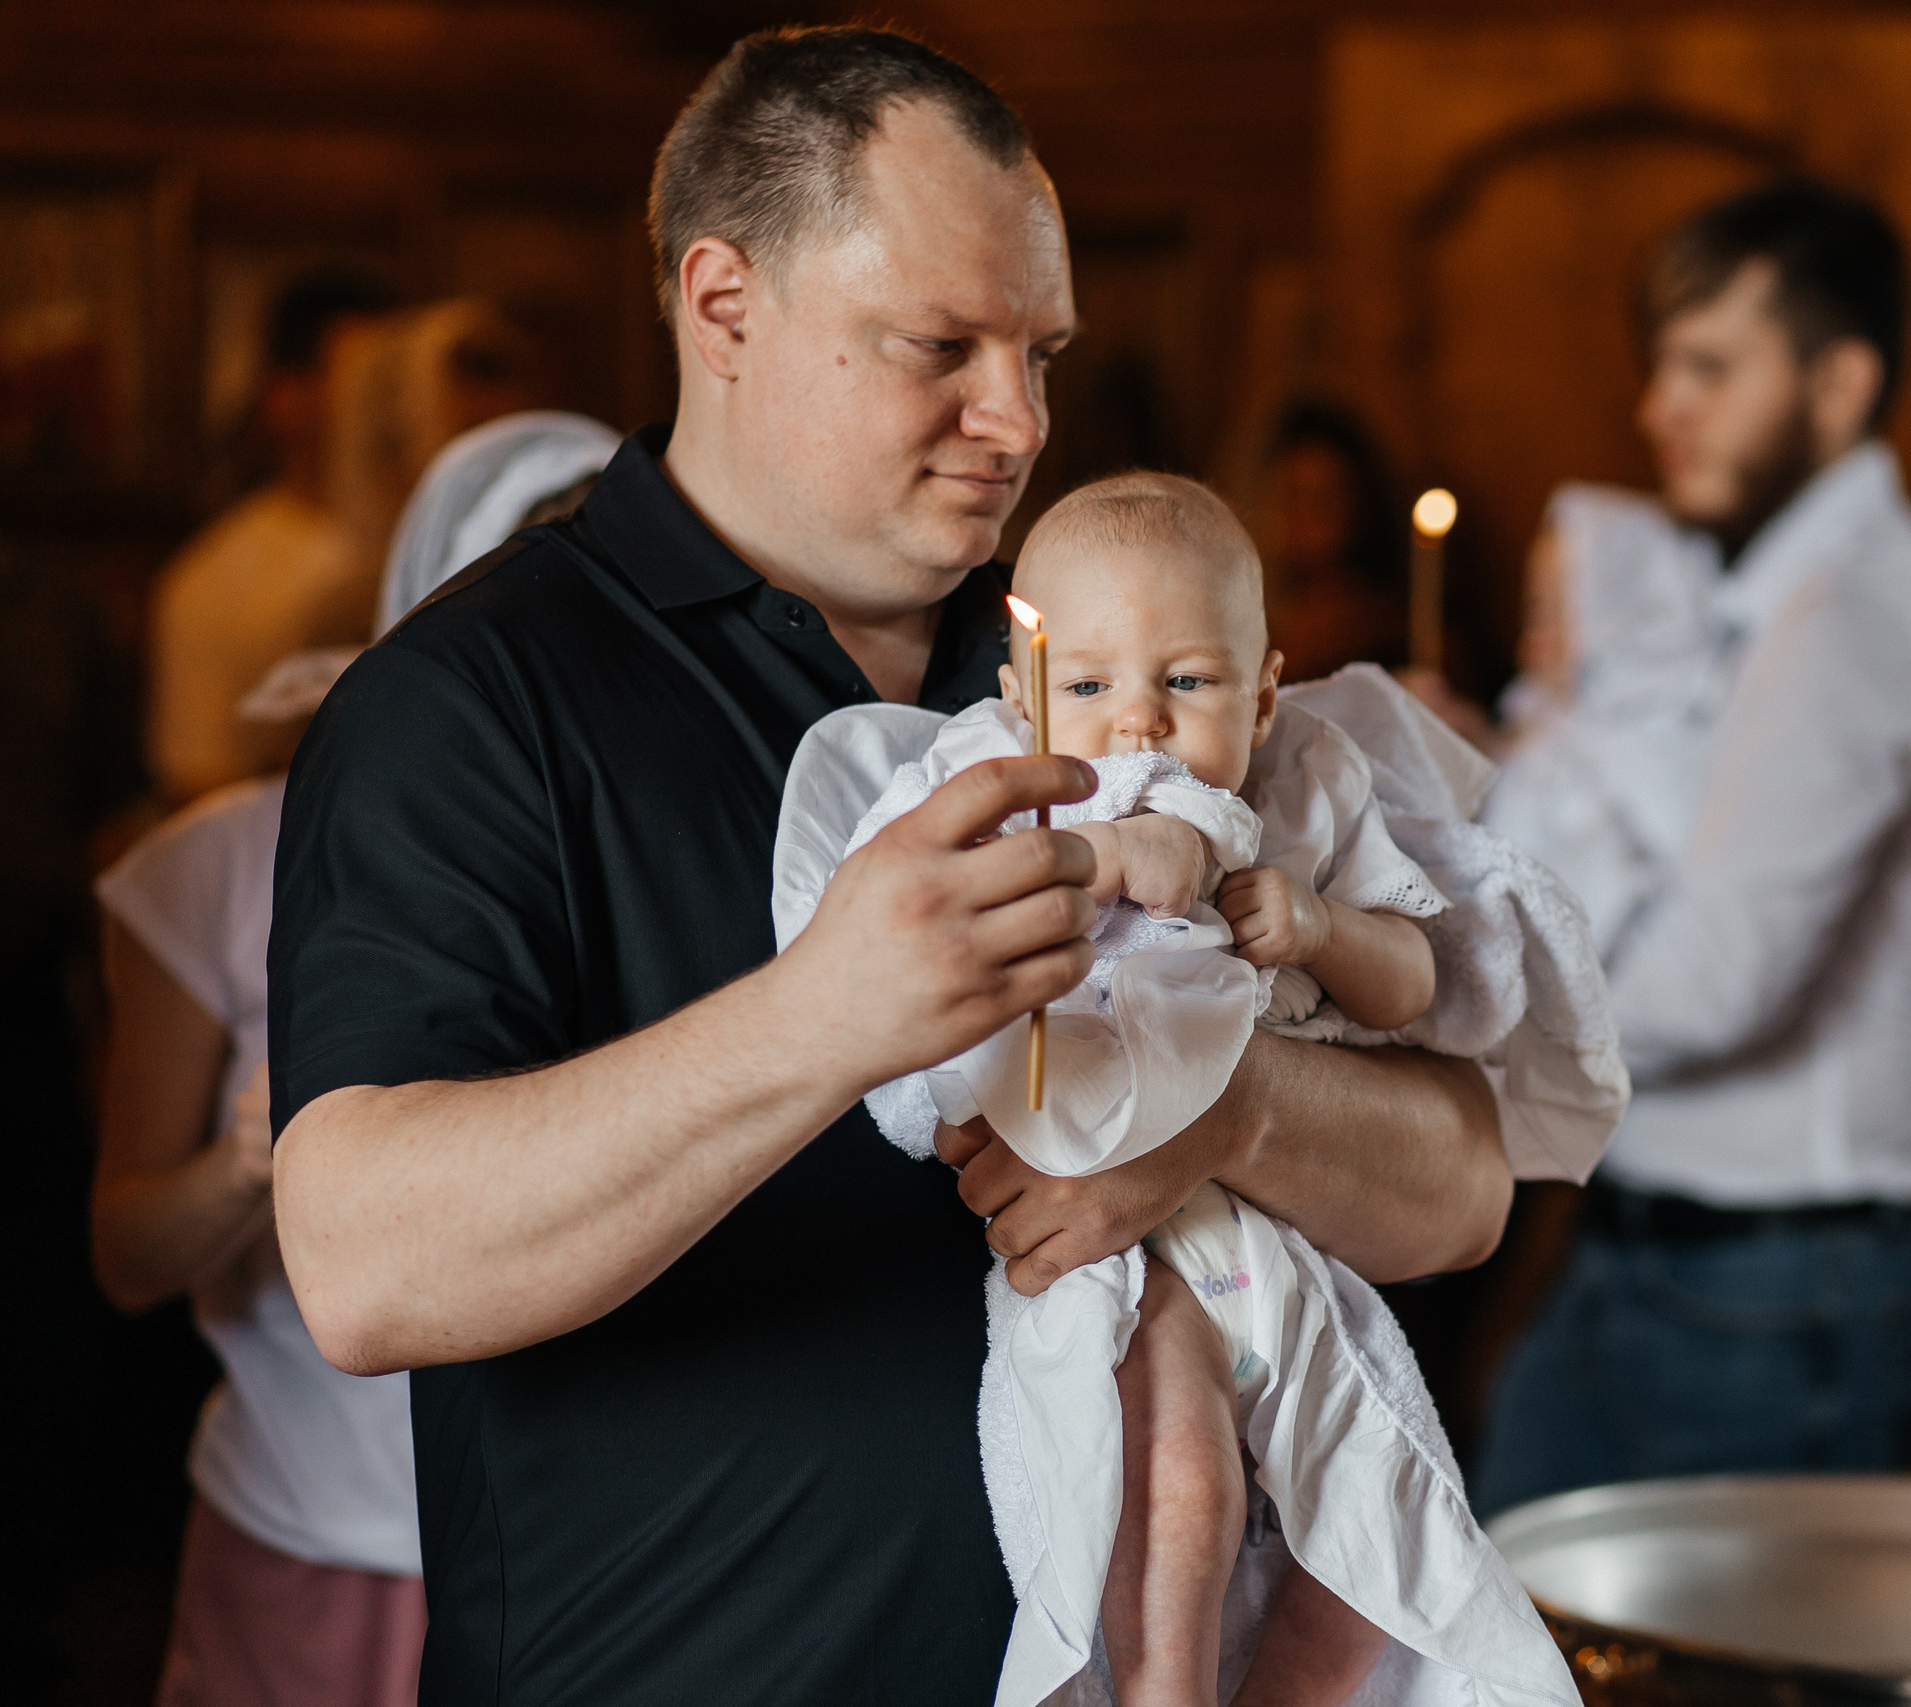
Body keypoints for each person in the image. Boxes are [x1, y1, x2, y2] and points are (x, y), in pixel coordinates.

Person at [266, 28, 1514, 1705]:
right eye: (943, 343)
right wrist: (823, 1019)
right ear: (723, 305)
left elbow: (1468, 1183)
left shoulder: (1114, 663)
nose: (1018, 418)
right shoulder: (473, 701)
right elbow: (361, 1262)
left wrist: (1220, 1118)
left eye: (1040, 349)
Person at [780, 472, 1596, 1707]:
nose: (1138, 729)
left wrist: (1321, 927)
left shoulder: (1307, 785)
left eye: (1190, 682)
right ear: (1021, 694)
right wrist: (1098, 867)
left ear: (1265, 690)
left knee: (1372, 1540)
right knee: (1185, 1488)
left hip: (1275, 1246)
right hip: (1124, 1261)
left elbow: (1415, 982)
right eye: (1090, 685)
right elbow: (906, 1019)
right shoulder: (993, 784)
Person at [1448, 179, 1911, 1513]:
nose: (1659, 409)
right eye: (1662, 365)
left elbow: (1711, 986)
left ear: (1840, 383)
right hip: (1674, 1253)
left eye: (1710, 366)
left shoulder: (1854, 613)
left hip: (1780, 1281)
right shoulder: (1754, 597)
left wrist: (1449, 991)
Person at [91, 411, 620, 1707]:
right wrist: (253, 1157)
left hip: (579, 1533)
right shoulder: (221, 860)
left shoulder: (655, 858)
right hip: (308, 1539)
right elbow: (122, 1255)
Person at [0, 336, 150, 1699]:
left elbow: (110, 820)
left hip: (7, 1008)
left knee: (14, 1314)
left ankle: (7, 1612)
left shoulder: (55, 609)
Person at [144, 269, 399, 803]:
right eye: (360, 379)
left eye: (395, 379)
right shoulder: (213, 580)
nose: (384, 405)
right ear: (284, 397)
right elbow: (197, 794)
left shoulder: (449, 537)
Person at [1254, 400, 1409, 682]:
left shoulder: (1390, 627)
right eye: (1295, 498)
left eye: (1325, 500)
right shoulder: (1256, 613)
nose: (1309, 518)